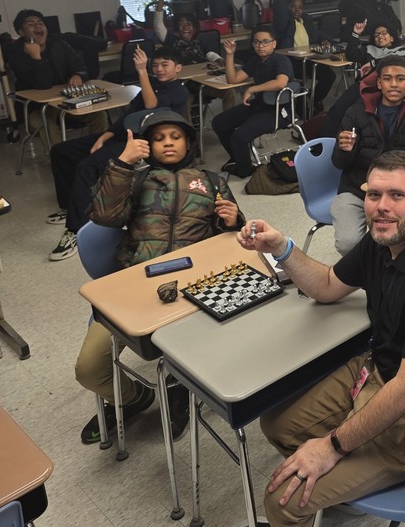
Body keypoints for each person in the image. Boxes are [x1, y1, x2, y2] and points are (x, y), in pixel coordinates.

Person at [238, 151, 405, 527]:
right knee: (277, 425)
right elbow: (326, 286)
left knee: (281, 502)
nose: (381, 207)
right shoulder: (382, 239)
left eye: (396, 196)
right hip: (379, 371)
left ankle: (341, 478)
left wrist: (331, 447)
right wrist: (282, 248)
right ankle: (348, 490)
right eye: (374, 195)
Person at [74, 109, 244, 445]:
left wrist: (232, 220)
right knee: (89, 368)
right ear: (147, 145)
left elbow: (235, 241)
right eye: (159, 138)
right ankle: (133, 398)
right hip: (136, 286)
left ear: (188, 142)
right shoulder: (137, 179)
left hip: (193, 287)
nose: (168, 143)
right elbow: (104, 215)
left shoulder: (211, 181)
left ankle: (180, 385)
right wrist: (122, 163)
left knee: (195, 348)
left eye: (175, 137)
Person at [46, 46, 190, 261]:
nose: (158, 69)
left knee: (87, 166)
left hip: (142, 142)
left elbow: (151, 105)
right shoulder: (152, 86)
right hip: (123, 135)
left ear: (177, 68)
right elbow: (130, 115)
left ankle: (76, 229)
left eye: (164, 65)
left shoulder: (179, 90)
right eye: (155, 65)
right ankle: (70, 205)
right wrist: (105, 136)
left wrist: (142, 71)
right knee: (61, 151)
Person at [330, 56, 405, 254]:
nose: (394, 84)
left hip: (400, 189)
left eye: (400, 78)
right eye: (387, 79)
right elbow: (339, 163)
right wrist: (345, 149)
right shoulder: (357, 110)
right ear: (379, 83)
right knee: (349, 243)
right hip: (357, 188)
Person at [7, 8, 107, 144]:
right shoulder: (16, 54)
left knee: (98, 113)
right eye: (31, 24)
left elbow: (81, 67)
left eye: (40, 23)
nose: (38, 26)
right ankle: (60, 160)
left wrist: (79, 75)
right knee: (46, 122)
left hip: (65, 102)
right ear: (21, 32)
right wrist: (36, 57)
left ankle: (97, 153)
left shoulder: (58, 45)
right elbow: (43, 85)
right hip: (36, 108)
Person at [211, 24, 294, 178]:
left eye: (265, 42)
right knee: (219, 123)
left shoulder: (281, 60)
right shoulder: (255, 61)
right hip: (259, 105)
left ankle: (245, 170)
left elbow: (280, 83)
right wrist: (230, 55)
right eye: (256, 42)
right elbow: (232, 79)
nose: (260, 46)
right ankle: (238, 158)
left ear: (274, 43)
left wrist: (251, 89)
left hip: (278, 110)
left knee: (239, 137)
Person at [271, 0, 336, 113]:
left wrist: (325, 40)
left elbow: (319, 34)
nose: (297, 10)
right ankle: (302, 108)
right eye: (293, 6)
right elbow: (280, 12)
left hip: (308, 59)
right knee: (299, 82)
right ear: (288, 7)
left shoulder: (306, 21)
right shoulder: (284, 23)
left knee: (329, 76)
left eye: (300, 7)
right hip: (290, 62)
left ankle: (314, 98)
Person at [151, 0, 207, 66]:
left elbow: (209, 53)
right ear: (177, 30)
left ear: (195, 29)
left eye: (189, 24)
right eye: (181, 24)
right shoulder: (170, 40)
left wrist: (219, 59)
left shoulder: (198, 42)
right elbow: (158, 24)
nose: (185, 27)